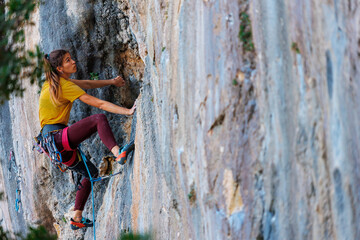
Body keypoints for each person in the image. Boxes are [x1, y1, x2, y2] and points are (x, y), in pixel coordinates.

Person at [38, 49, 136, 230]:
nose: (74, 61)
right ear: (60, 68)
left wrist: (112, 82)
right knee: (98, 119)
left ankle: (76, 216)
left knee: (90, 173)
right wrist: (128, 111)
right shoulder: (63, 86)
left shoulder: (54, 83)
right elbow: (98, 103)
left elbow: (86, 83)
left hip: (53, 146)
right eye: (68, 60)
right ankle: (118, 152)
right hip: (58, 138)